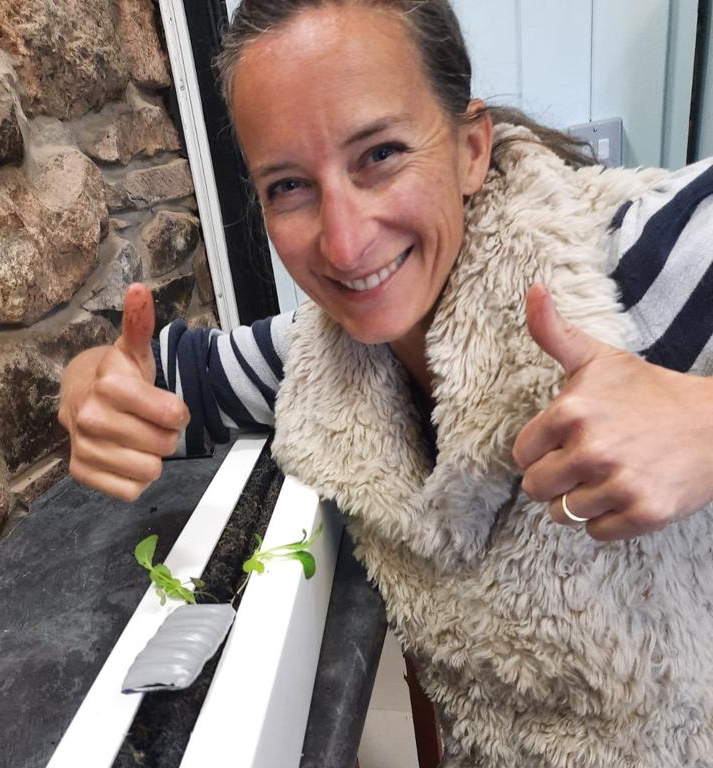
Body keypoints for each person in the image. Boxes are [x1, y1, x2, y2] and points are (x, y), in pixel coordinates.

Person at [59, 1, 713, 765]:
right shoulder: (316, 362)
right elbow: (149, 376)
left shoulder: (636, 257)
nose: (344, 241)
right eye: (290, 186)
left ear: (471, 149)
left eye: (379, 156)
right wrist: (88, 392)